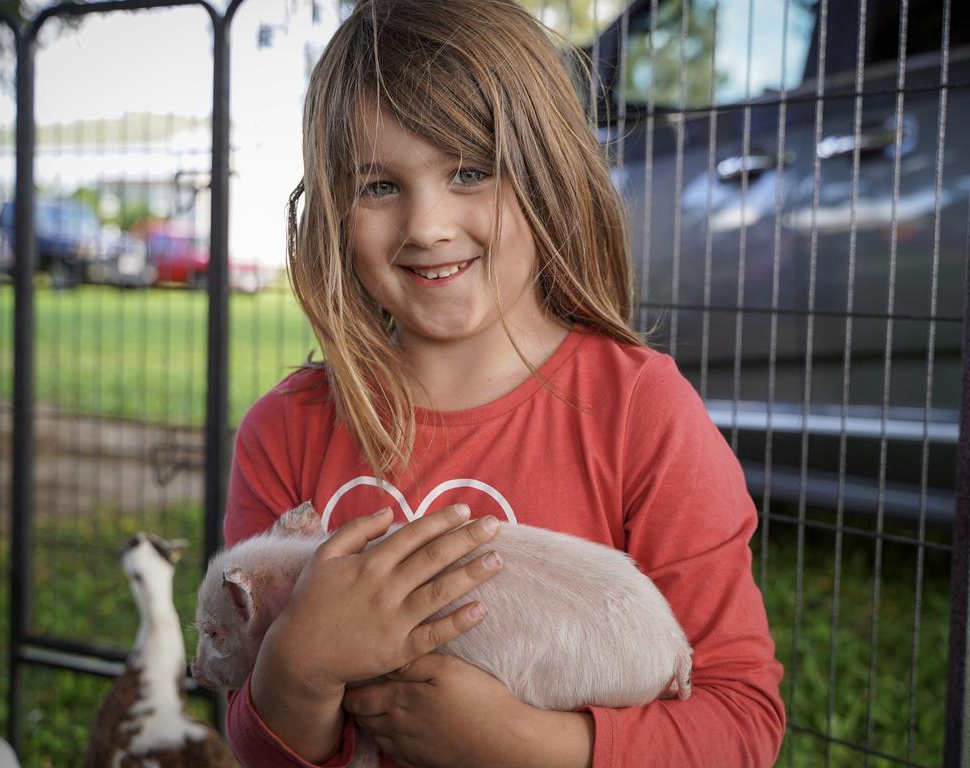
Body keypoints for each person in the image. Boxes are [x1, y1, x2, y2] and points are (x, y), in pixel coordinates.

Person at [222, 0, 786, 765]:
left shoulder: (642, 414)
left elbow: (740, 721)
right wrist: (299, 667)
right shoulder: (283, 431)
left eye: (469, 171)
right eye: (380, 186)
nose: (427, 224)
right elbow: (259, 739)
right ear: (331, 207)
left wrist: (525, 743)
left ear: (550, 174)